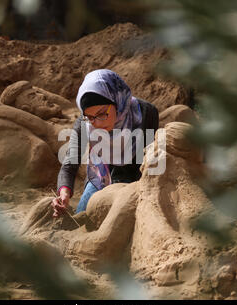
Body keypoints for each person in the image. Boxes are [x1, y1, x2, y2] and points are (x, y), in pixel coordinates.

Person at [52, 69, 159, 217]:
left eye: (102, 114)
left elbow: (151, 162)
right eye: (90, 117)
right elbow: (70, 163)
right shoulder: (84, 124)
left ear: (117, 101)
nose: (96, 123)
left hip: (137, 180)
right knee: (84, 217)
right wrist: (64, 192)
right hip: (101, 179)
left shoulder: (146, 113)